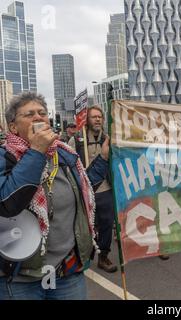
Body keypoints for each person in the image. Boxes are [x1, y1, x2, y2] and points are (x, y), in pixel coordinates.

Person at [0, 92, 109, 300]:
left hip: (66, 273)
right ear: (13, 127)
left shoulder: (65, 154)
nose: (38, 117)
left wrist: (103, 157)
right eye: (29, 114)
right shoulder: (4, 157)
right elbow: (7, 203)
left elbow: (86, 191)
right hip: (20, 278)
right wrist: (36, 152)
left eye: (42, 113)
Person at [69, 105, 117, 273]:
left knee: (106, 225)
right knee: (85, 226)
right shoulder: (76, 140)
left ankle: (103, 257)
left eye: (100, 116)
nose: (97, 119)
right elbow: (70, 166)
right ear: (86, 120)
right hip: (84, 191)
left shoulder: (109, 138)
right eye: (93, 117)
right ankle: (84, 256)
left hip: (105, 190)